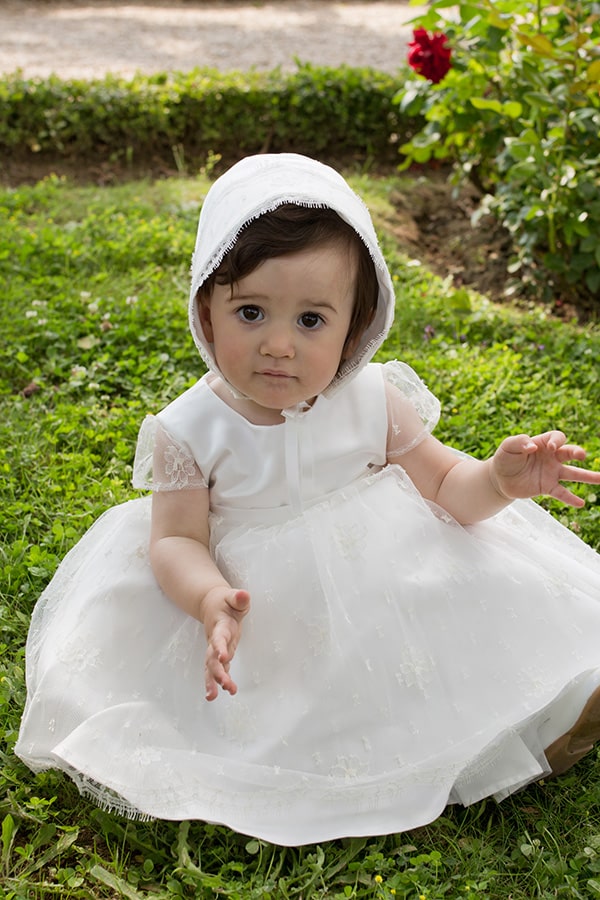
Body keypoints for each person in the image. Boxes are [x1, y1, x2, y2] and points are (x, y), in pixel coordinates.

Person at [16, 153, 600, 847]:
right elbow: (176, 541)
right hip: (258, 602)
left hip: (384, 575)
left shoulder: (373, 400)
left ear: (358, 324)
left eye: (312, 321)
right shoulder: (189, 431)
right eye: (252, 312)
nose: (279, 346)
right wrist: (208, 599)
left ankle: (545, 716)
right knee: (295, 703)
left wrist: (499, 482)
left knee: (465, 610)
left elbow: (446, 487)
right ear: (206, 307)